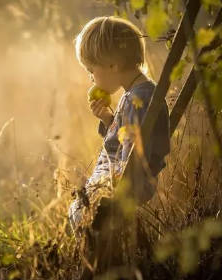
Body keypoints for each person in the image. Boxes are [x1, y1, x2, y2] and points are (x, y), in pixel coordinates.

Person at [68, 15, 170, 242]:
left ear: (113, 65)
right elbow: (126, 137)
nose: (91, 78)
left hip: (123, 180)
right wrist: (108, 120)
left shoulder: (140, 98)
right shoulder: (134, 94)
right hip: (118, 176)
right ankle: (103, 256)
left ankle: (99, 264)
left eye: (91, 69)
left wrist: (115, 187)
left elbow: (134, 151)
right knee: (78, 210)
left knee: (81, 213)